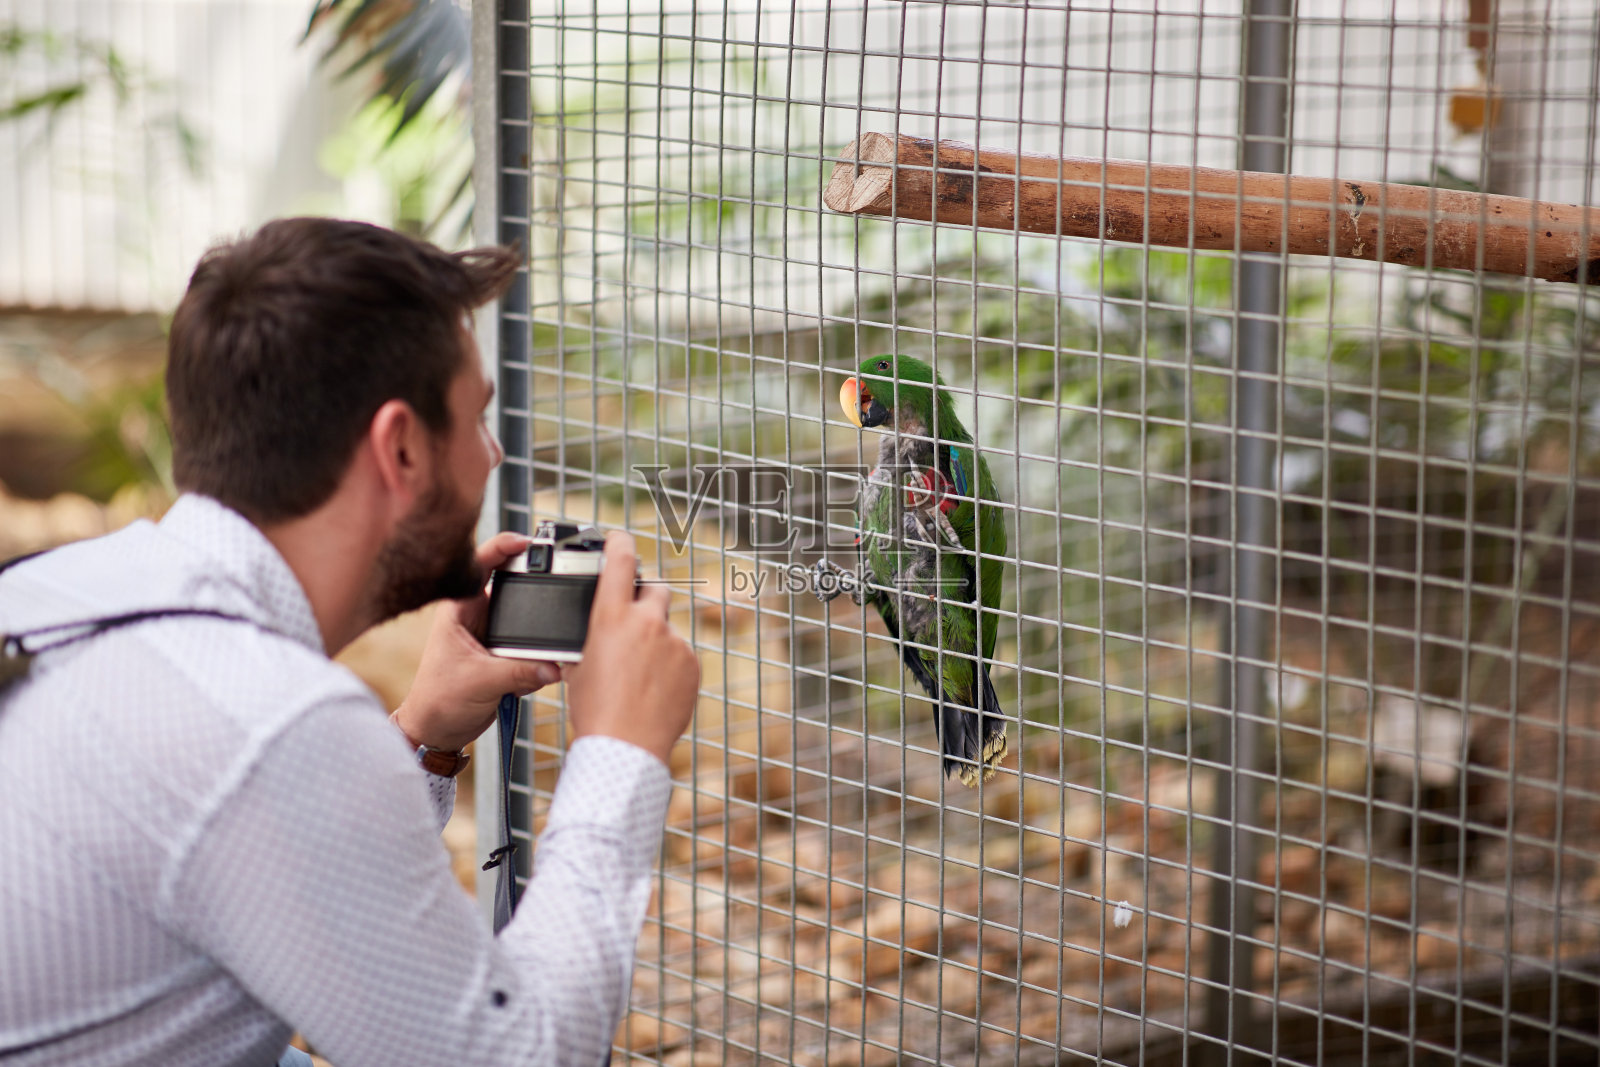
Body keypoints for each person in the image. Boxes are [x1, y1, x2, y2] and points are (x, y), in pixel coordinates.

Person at [0, 217, 699, 1066]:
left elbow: (259, 860)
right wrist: (620, 752)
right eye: (477, 420)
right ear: (400, 446)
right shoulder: (267, 723)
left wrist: (421, 738)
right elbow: (516, 1056)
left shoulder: (62, 586)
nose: (493, 455)